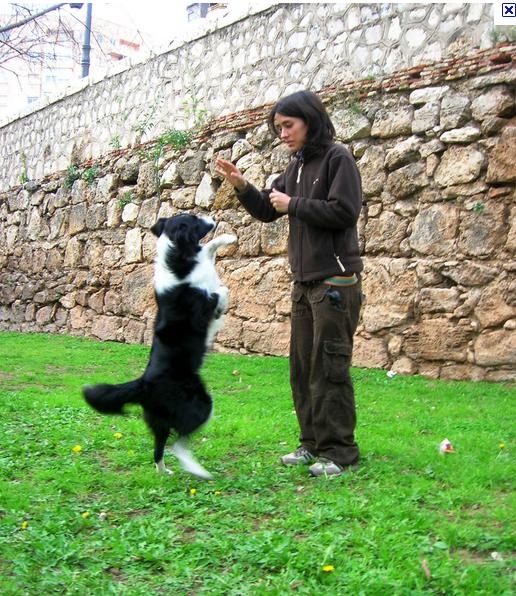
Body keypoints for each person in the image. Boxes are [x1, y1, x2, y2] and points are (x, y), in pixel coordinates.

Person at [215, 90, 363, 477]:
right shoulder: (295, 166)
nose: (282, 133)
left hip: (334, 281)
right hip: (303, 283)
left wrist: (293, 204)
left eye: (288, 125)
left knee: (329, 367)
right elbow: (268, 210)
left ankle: (340, 452)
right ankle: (312, 445)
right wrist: (243, 186)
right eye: (278, 127)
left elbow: (345, 212)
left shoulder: (338, 158)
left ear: (309, 120)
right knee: (301, 368)